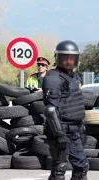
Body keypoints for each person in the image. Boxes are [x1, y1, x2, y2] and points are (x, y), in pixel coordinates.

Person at [42, 40, 88, 180]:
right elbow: (50, 110)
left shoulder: (74, 77)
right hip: (60, 130)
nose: (68, 61)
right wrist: (59, 134)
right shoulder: (53, 78)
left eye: (71, 58)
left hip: (75, 129)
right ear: (58, 58)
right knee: (60, 166)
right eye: (65, 58)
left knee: (81, 166)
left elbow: (74, 102)